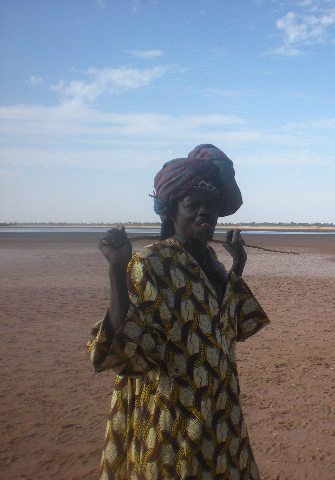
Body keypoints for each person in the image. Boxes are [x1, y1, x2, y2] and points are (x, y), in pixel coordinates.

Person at [88, 145, 269, 480]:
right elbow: (123, 351)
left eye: (211, 207)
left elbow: (229, 327)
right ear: (170, 211)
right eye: (193, 206)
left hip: (220, 411)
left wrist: (236, 266)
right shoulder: (150, 263)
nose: (205, 213)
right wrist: (116, 271)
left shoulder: (211, 262)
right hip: (173, 415)